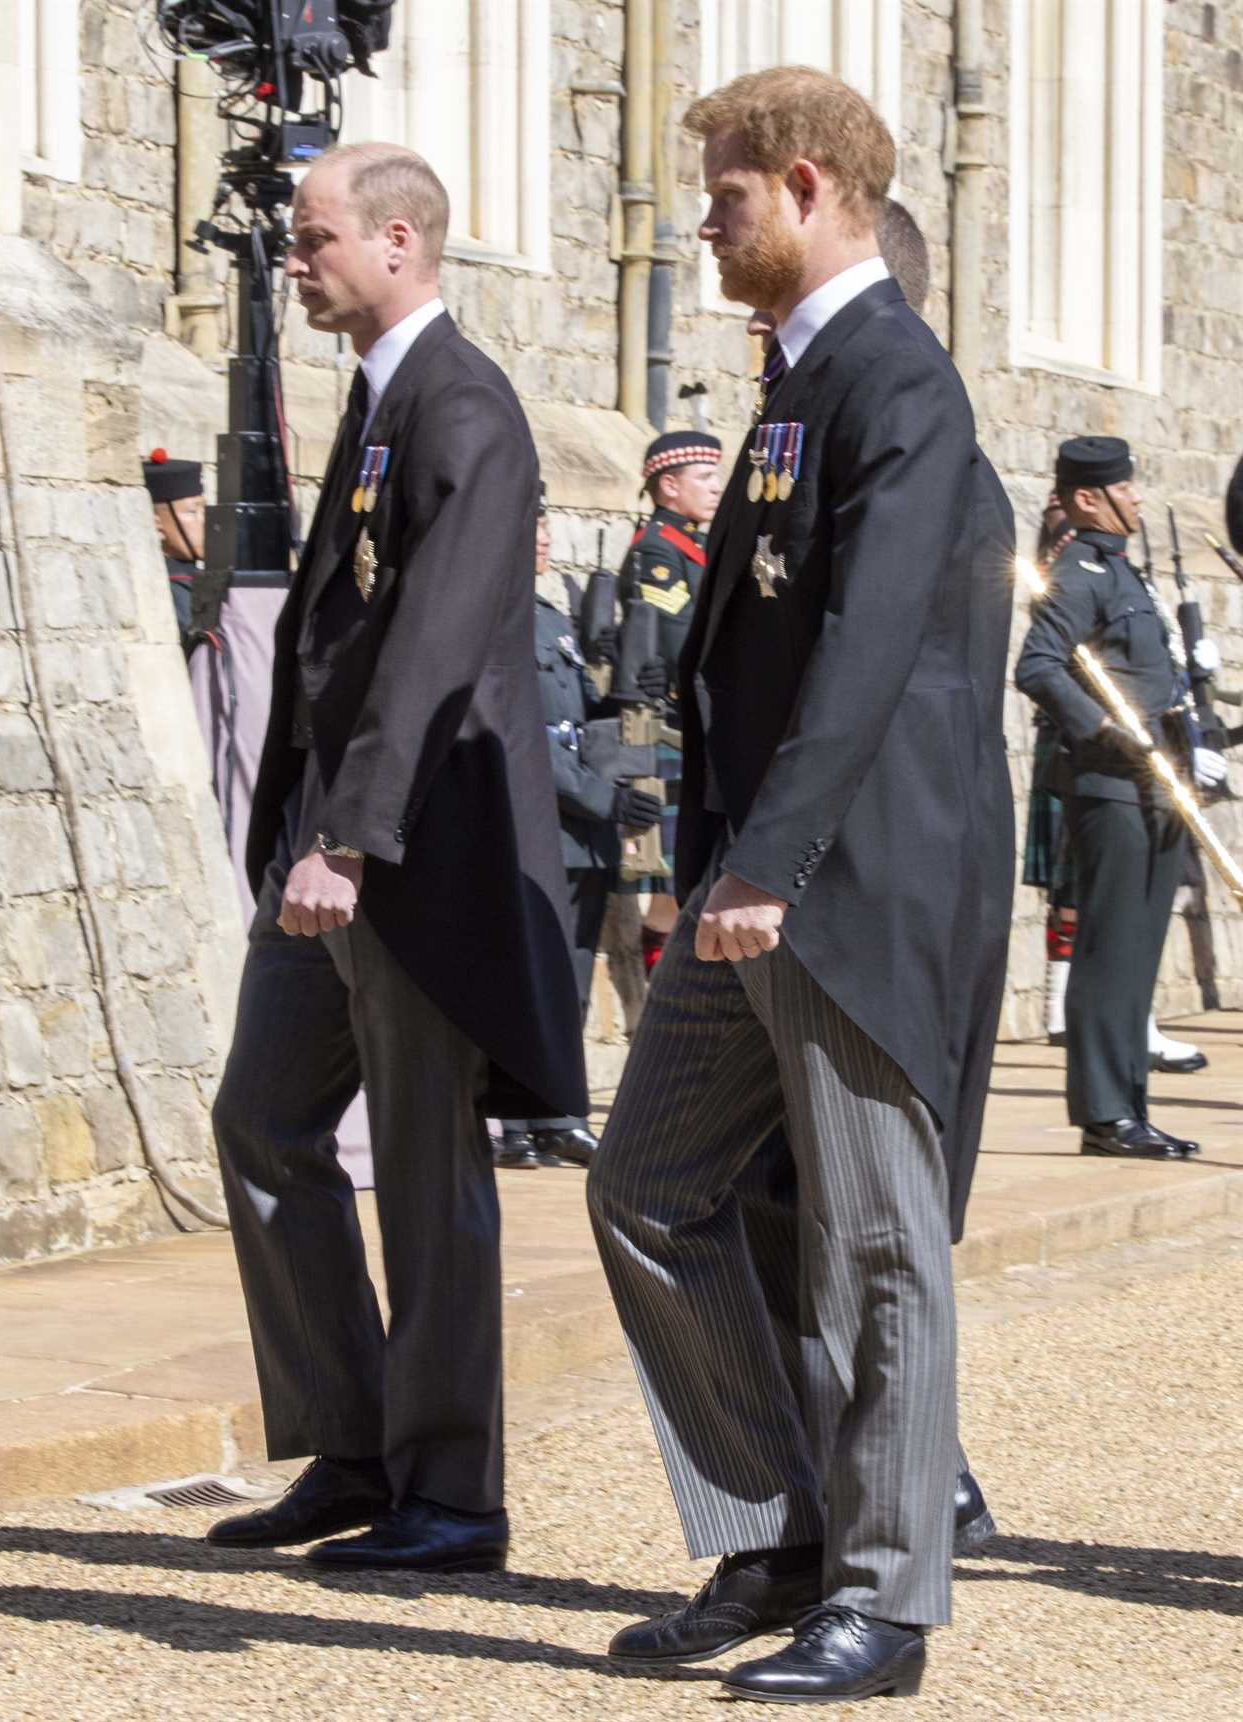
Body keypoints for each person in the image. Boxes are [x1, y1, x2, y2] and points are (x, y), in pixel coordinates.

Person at [588, 66, 1014, 1704]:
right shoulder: (791, 386)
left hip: (847, 881)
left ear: (814, 187)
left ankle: (888, 1599)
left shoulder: (901, 382)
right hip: (749, 881)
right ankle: (774, 1520)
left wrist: (771, 857)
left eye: (729, 189)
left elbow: (871, 639)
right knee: (646, 1182)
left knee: (877, 1240)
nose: (703, 216)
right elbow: (735, 648)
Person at [204, 140, 586, 1572]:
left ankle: (454, 1494)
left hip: (413, 859)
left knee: (429, 1177)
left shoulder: (461, 407)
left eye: (312, 242)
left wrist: (351, 837)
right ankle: (352, 1446)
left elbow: (432, 646)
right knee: (264, 1122)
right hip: (335, 847)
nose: (293, 263)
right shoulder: (380, 400)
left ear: (398, 245)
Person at [1015, 436, 1223, 1159]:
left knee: (1138, 950)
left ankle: (1130, 1105)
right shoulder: (1078, 572)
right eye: (1124, 488)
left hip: (1161, 780)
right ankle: (1104, 1113)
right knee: (1109, 949)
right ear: (1086, 498)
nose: (1136, 497)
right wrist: (1104, 729)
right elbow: (1036, 666)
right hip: (1112, 781)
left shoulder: (1124, 573)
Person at [496, 486, 662, 1169]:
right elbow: (521, 736)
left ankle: (558, 1113)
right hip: (537, 821)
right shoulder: (495, 615)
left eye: (543, 521)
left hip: (583, 831)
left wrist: (626, 688)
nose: (539, 534)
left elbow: (578, 711)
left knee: (571, 973)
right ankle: (512, 1120)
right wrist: (603, 798)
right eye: (526, 522)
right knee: (524, 973)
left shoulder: (550, 614)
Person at [617, 431, 722, 969]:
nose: (714, 487)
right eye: (703, 478)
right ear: (668, 485)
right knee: (671, 887)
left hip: (689, 720)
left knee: (682, 885)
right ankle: (661, 988)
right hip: (673, 722)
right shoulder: (659, 549)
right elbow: (675, 633)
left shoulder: (694, 545)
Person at [142, 449, 204, 652]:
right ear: (157, 526)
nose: (204, 521)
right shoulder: (169, 589)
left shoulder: (196, 580)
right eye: (192, 512)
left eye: (204, 510)